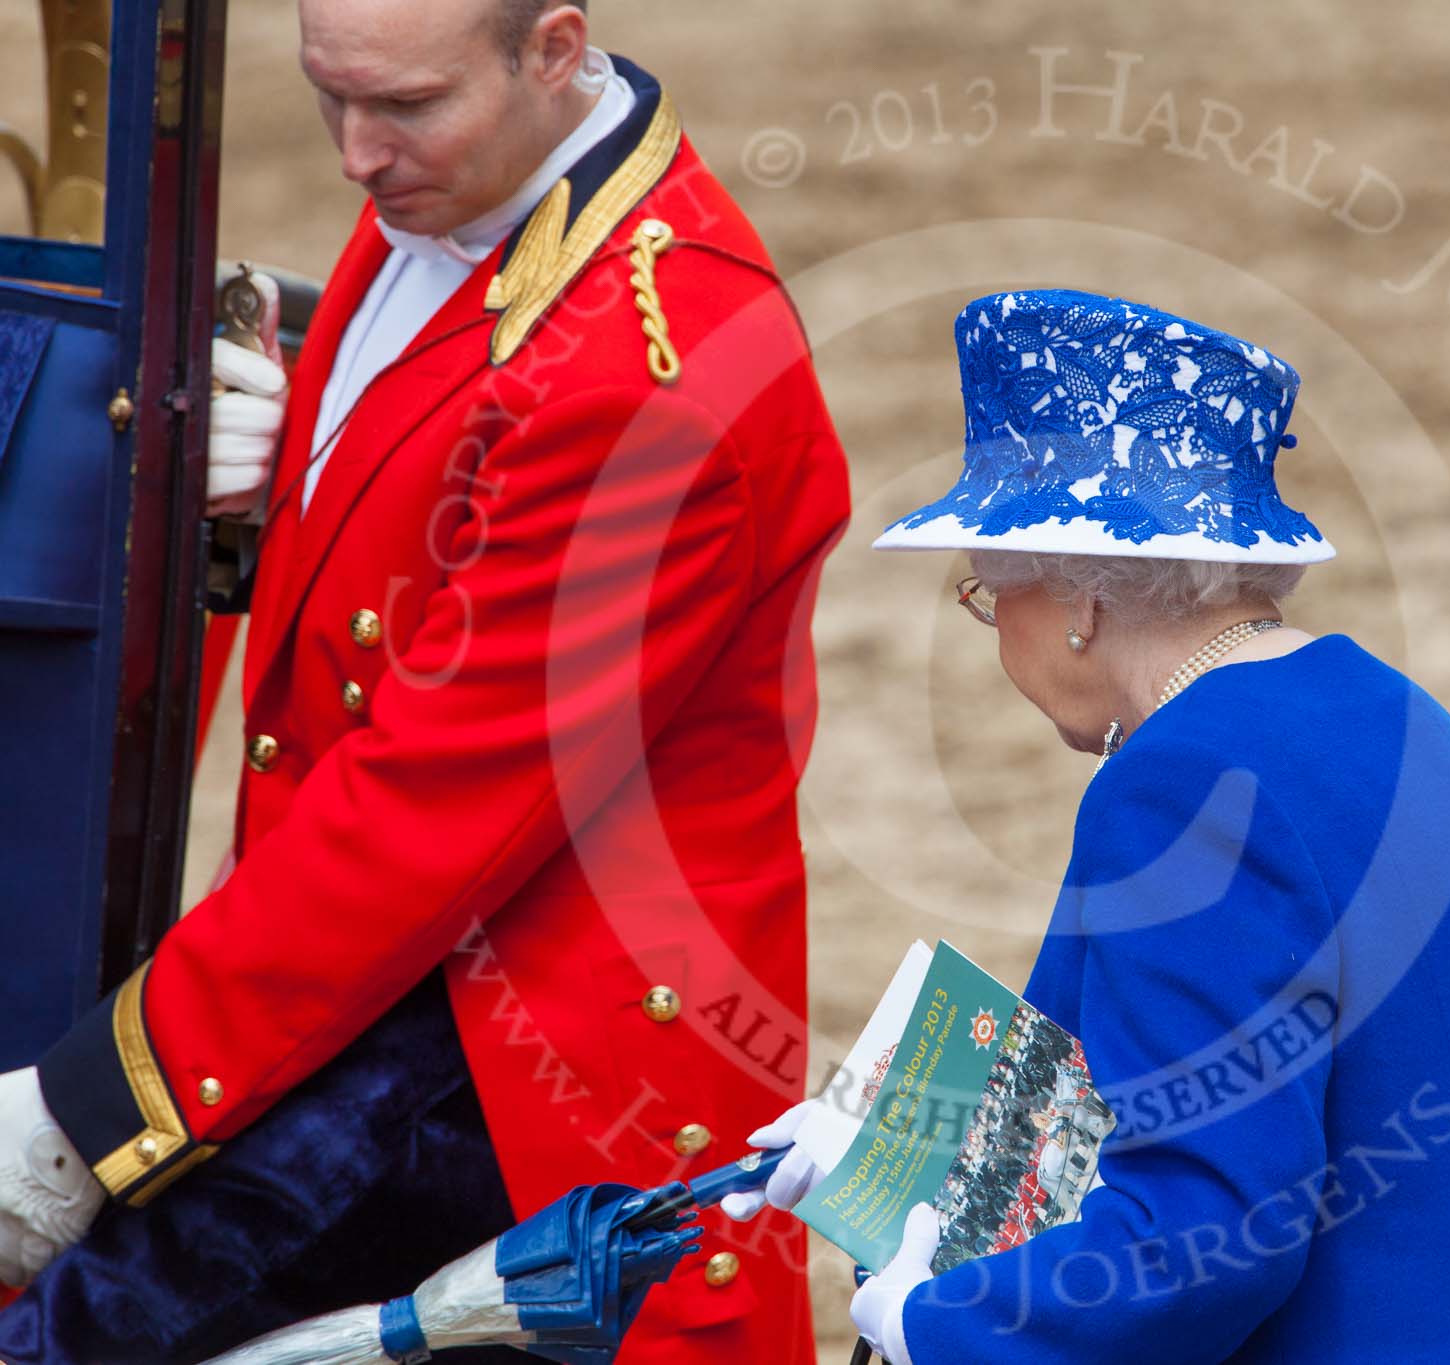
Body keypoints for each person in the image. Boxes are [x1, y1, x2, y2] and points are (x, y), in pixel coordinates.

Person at [0, 2, 847, 1361]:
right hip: (367, 989)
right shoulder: (469, 179)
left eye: (398, 105)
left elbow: (430, 804)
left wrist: (88, 1106)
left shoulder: (647, 377)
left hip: (508, 1075)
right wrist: (302, 488)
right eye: (329, 97)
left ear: (556, 51)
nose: (353, 152)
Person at [729, 290, 1450, 1361]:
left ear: (1076, 600)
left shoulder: (1177, 788)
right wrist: (893, 1162)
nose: (990, 627)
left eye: (985, 592)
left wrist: (942, 1325)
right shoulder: (1394, 713)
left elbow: (1203, 1235)